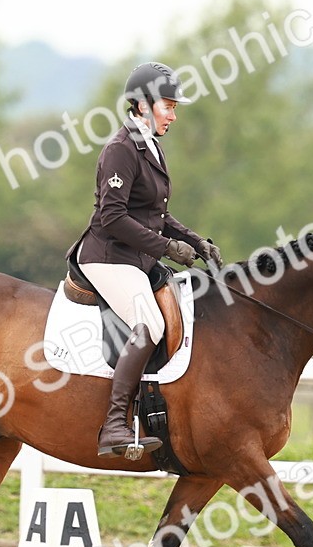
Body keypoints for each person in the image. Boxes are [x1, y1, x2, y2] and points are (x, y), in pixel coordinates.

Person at [72, 61, 223, 458]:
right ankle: (116, 425)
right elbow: (113, 217)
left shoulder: (149, 146)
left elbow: (155, 214)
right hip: (108, 258)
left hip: (135, 258)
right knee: (150, 322)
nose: (173, 115)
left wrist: (195, 241)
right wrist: (168, 249)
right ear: (141, 105)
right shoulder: (121, 150)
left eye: (174, 108)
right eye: (167, 107)